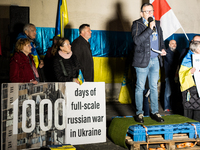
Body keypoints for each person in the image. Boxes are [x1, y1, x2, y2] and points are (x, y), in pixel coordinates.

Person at [131, 3, 167, 123]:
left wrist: (163, 49)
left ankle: (155, 112)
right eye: (147, 11)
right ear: (141, 13)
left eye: (151, 11)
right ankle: (139, 113)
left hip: (155, 60)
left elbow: (161, 41)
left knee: (153, 87)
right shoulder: (137, 24)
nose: (150, 14)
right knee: (140, 87)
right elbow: (136, 41)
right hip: (142, 61)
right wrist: (149, 28)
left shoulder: (157, 24)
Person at [179, 41, 200, 121]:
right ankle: (189, 130)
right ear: (195, 49)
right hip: (190, 90)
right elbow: (181, 74)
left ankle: (198, 130)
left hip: (199, 89)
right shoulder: (187, 59)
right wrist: (189, 73)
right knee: (188, 112)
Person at [163, 40, 179, 112]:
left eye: (175, 43)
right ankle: (166, 107)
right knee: (168, 92)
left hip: (176, 76)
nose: (174, 45)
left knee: (174, 91)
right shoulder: (167, 52)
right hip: (169, 75)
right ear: (169, 45)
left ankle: (172, 107)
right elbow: (172, 62)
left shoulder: (177, 52)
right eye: (172, 43)